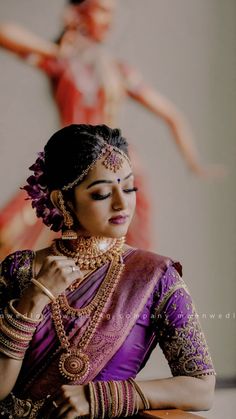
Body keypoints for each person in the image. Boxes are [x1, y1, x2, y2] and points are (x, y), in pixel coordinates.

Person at [0, 124, 216, 418]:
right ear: (61, 200)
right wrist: (34, 299)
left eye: (128, 188)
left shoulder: (155, 277)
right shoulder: (20, 270)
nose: (122, 203)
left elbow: (201, 388)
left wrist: (105, 395)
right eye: (102, 194)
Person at [0, 0, 224, 259]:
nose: (109, 21)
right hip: (71, 166)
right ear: (78, 12)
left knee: (127, 260)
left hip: (117, 170)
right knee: (17, 234)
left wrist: (194, 162)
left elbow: (172, 115)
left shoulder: (118, 71)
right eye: (102, 11)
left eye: (112, 13)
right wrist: (56, 51)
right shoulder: (62, 63)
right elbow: (6, 33)